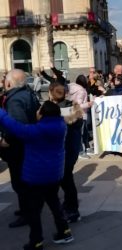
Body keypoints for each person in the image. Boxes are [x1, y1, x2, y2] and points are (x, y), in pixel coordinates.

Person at [0, 100, 74, 250]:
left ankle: (36, 241)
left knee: (34, 211)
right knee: (54, 203)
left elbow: (14, 126)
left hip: (36, 177)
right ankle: (64, 231)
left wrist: (1, 113)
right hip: (54, 174)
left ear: (42, 114)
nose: (36, 111)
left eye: (39, 109)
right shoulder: (60, 126)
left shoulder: (35, 131)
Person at [0, 69, 40, 228]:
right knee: (25, 181)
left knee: (19, 182)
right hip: (28, 145)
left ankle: (27, 213)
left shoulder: (15, 100)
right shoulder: (28, 94)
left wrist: (6, 140)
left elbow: (17, 125)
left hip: (18, 148)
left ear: (9, 83)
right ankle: (28, 209)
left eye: (4, 81)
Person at [49, 82, 83, 223]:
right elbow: (78, 123)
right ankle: (70, 207)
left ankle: (72, 210)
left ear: (51, 93)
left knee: (66, 182)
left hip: (60, 152)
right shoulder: (73, 106)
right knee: (67, 180)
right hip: (72, 150)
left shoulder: (52, 110)